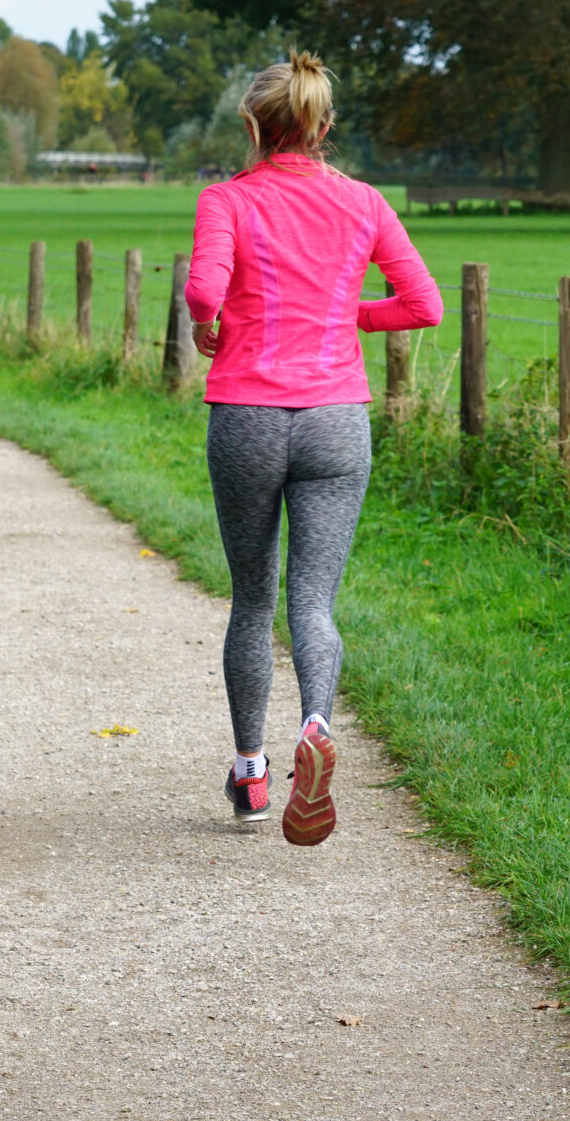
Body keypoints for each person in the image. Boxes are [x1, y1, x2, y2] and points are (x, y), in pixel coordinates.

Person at [185, 53, 441, 845]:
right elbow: (423, 304)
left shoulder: (225, 200)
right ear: (324, 127)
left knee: (253, 599)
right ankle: (318, 724)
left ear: (255, 126)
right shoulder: (364, 202)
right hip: (336, 417)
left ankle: (252, 772)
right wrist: (351, 320)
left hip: (250, 417)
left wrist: (206, 324)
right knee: (315, 602)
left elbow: (202, 290)